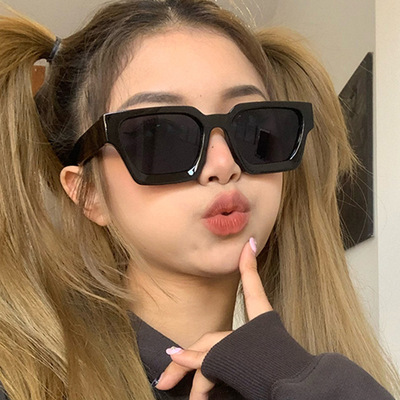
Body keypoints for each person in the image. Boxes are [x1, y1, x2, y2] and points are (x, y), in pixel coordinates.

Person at [0, 0, 399, 399]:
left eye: (253, 127)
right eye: (161, 135)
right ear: (88, 194)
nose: (223, 164)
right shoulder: (20, 384)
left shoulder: (306, 377)